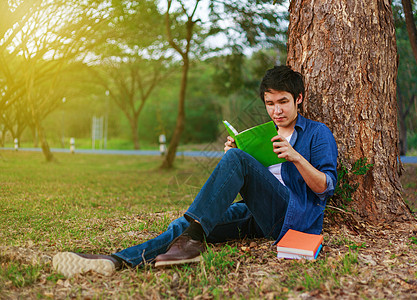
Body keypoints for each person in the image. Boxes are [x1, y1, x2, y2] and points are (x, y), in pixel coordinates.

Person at [53, 65, 338, 277]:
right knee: (184, 226)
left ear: (299, 98)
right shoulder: (264, 133)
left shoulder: (317, 134)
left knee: (234, 164)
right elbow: (257, 179)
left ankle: (192, 240)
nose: (276, 111)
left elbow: (326, 187)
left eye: (283, 102)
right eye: (270, 103)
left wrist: (296, 158)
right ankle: (115, 261)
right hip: (256, 214)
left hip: (292, 216)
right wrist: (238, 156)